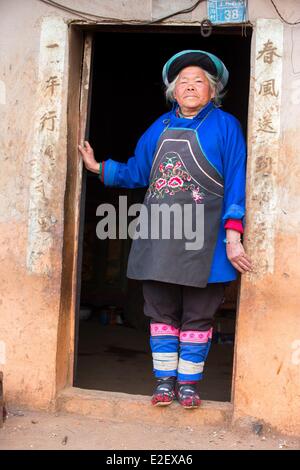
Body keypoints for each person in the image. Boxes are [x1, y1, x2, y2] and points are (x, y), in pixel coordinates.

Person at [78, 50, 252, 409]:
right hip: (161, 235)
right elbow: (137, 172)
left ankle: (188, 385)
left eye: (198, 81)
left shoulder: (226, 126)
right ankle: (163, 382)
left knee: (199, 315)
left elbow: (238, 181)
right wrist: (98, 167)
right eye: (183, 82)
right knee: (160, 313)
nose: (190, 87)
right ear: (173, 91)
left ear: (213, 90)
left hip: (206, 239)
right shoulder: (158, 127)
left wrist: (233, 235)